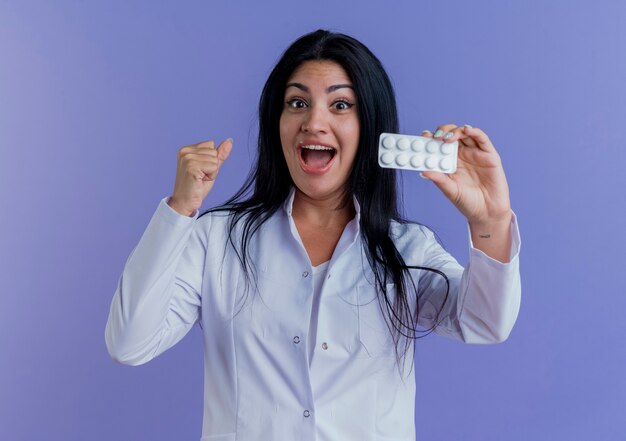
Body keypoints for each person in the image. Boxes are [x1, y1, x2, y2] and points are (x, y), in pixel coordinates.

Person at [105, 29, 521, 441]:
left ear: (369, 126)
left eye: (340, 104)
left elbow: (486, 322)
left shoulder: (406, 249)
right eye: (297, 103)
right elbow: (129, 342)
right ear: (277, 122)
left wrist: (490, 220)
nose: (314, 122)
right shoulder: (216, 238)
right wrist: (180, 209)